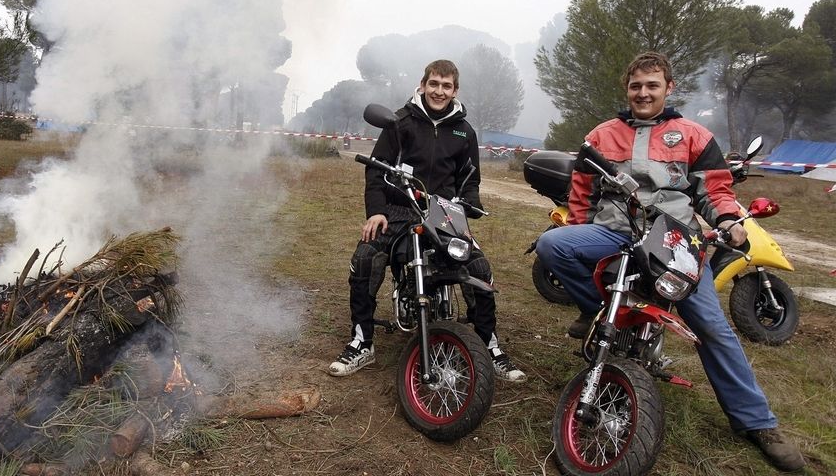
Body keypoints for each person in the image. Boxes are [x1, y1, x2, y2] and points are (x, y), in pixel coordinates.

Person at [535, 51, 805, 472]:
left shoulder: (694, 135)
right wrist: (578, 228)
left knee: (713, 329)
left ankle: (758, 423)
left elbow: (715, 190)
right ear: (627, 89)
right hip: (614, 233)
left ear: (668, 88)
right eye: (636, 86)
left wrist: (730, 219)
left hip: (674, 241)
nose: (643, 93)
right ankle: (595, 311)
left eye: (652, 86)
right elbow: (582, 194)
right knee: (553, 245)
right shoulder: (601, 136)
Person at [328, 59, 526, 383]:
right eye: (433, 83)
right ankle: (362, 341)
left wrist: (469, 206)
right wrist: (376, 211)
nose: (439, 91)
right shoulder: (399, 122)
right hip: (399, 210)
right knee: (365, 258)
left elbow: (470, 178)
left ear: (455, 90)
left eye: (446, 86)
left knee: (479, 268)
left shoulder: (464, 130)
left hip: (444, 212)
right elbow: (376, 169)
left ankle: (488, 345)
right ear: (423, 85)